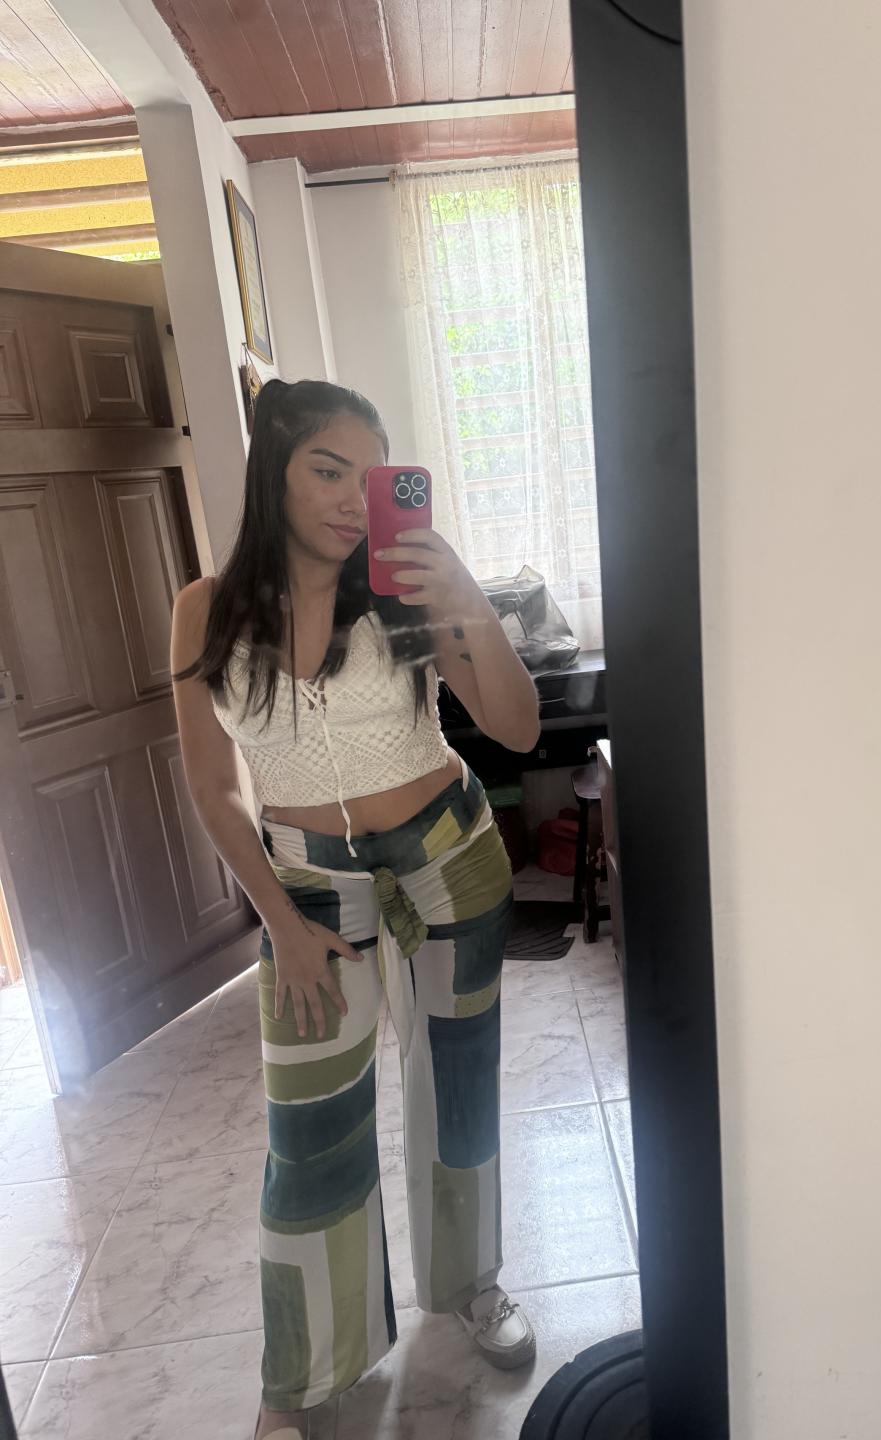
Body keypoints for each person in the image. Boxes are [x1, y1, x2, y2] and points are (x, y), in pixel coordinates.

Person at [171, 379, 541, 1440]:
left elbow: (516, 729)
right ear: (274, 472)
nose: (349, 498)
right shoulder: (207, 609)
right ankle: (298, 1377)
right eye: (327, 470)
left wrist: (463, 595)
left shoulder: (402, 590)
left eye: (368, 476)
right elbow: (215, 787)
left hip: (446, 854)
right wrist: (279, 925)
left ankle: (471, 1282)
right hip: (307, 881)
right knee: (311, 1128)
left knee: (458, 1087)